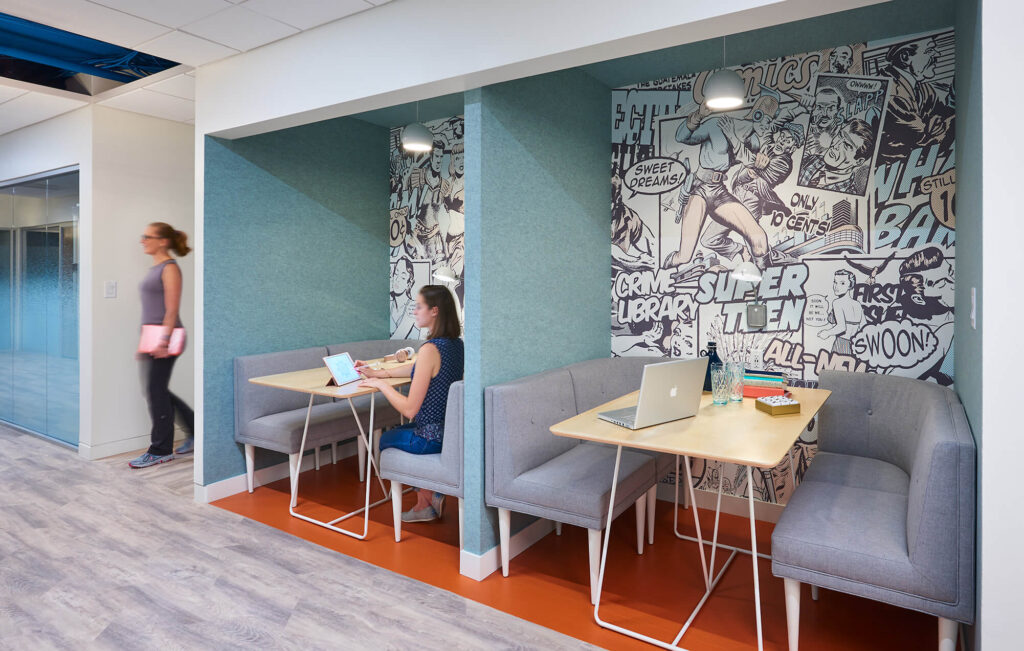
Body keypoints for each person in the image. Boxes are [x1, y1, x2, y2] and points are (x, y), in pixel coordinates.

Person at [356, 285, 464, 522]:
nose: (414, 311)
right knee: (399, 431)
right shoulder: (455, 345)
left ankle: (424, 503)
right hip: (448, 432)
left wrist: (381, 386)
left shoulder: (429, 349)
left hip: (429, 438)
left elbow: (410, 409)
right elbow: (419, 369)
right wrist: (380, 373)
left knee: (385, 439)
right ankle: (429, 494)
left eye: (418, 306)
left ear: (434, 311)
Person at [129, 223, 195, 469]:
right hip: (151, 336)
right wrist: (145, 342)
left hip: (168, 337)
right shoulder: (155, 268)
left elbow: (171, 310)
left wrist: (163, 342)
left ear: (163, 241)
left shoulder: (169, 269)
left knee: (155, 392)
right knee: (156, 391)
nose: (143, 240)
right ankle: (195, 428)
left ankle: (160, 450)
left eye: (148, 236)